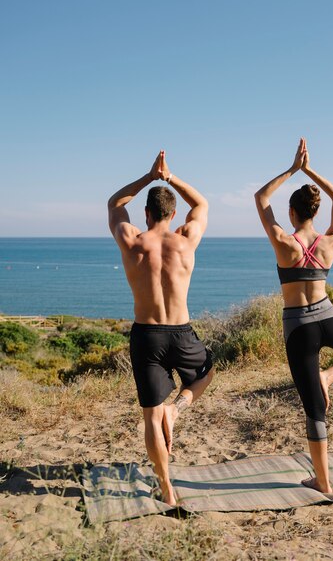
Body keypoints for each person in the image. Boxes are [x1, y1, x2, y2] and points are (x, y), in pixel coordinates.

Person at [254, 138, 333, 493]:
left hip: (299, 327)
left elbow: (261, 199)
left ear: (292, 213)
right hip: (330, 318)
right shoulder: (331, 240)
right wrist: (311, 172)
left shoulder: (283, 241)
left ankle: (322, 481)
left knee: (314, 410)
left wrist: (292, 169)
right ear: (315, 212)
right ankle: (330, 377)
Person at [108, 150, 214, 505]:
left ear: (147, 213)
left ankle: (167, 490)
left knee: (150, 417)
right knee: (206, 372)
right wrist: (169, 178)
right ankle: (178, 407)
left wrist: (149, 177)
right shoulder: (186, 239)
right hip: (181, 331)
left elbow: (114, 202)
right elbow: (200, 203)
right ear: (172, 215)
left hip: (146, 335)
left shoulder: (132, 240)